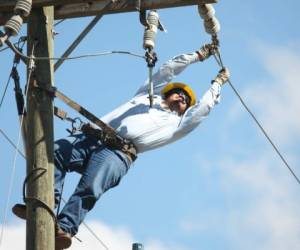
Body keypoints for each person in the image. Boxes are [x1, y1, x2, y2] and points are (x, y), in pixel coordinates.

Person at [12, 44, 230, 249]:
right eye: (178, 92)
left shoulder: (177, 124)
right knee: (55, 152)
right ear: (166, 93)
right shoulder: (146, 96)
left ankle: (64, 228)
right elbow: (168, 69)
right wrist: (198, 56)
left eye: (186, 100)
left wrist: (217, 84)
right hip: (93, 137)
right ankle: (43, 206)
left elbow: (203, 108)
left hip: (119, 154)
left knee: (90, 187)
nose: (182, 96)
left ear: (185, 110)